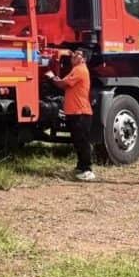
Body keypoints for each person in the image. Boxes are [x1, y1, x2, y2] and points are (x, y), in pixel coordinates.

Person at [46, 49, 95, 181]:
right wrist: (55, 78)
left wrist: (51, 77)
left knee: (82, 142)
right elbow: (63, 82)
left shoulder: (80, 70)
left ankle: (87, 170)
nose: (74, 55)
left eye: (77, 54)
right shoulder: (76, 70)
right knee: (78, 142)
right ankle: (81, 167)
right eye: (74, 53)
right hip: (75, 112)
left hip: (81, 112)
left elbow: (62, 84)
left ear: (83, 58)